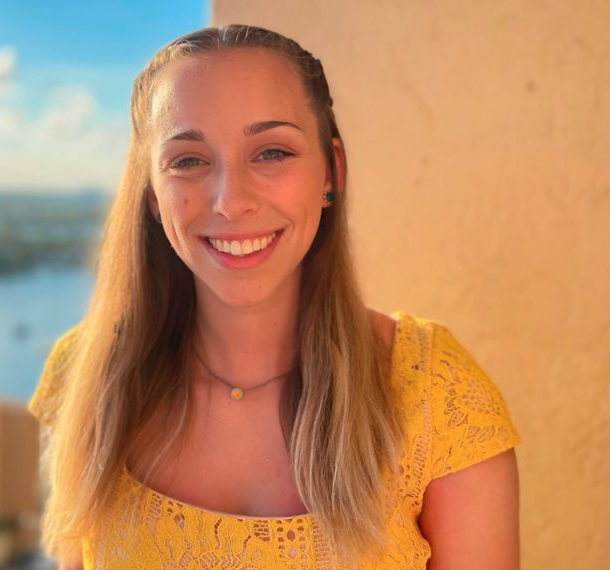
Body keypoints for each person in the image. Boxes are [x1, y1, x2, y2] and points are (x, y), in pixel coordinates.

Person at [28, 24, 521, 569]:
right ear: (151, 193)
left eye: (271, 152)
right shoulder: (87, 377)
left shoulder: (437, 398)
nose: (229, 201)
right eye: (188, 160)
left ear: (331, 171)